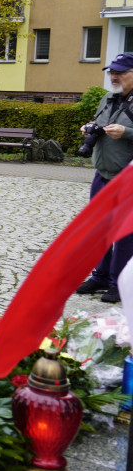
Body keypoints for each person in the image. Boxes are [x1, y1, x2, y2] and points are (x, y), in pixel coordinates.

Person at [75, 53, 133, 303]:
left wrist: (127, 132)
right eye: (112, 72)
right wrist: (90, 126)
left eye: (120, 72)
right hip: (102, 174)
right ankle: (100, 275)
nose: (114, 76)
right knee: (99, 229)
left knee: (123, 233)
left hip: (127, 177)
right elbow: (101, 123)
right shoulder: (107, 98)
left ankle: (118, 283)